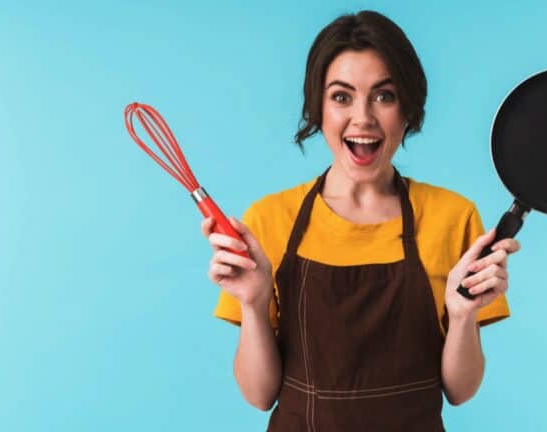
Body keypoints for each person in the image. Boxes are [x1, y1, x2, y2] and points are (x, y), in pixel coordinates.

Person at [201, 10, 521, 431]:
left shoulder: (453, 217)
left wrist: (462, 316)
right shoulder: (269, 219)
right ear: (318, 107)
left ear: (408, 107)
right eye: (341, 96)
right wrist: (253, 303)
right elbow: (260, 396)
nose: (363, 118)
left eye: (384, 96)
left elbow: (460, 392)